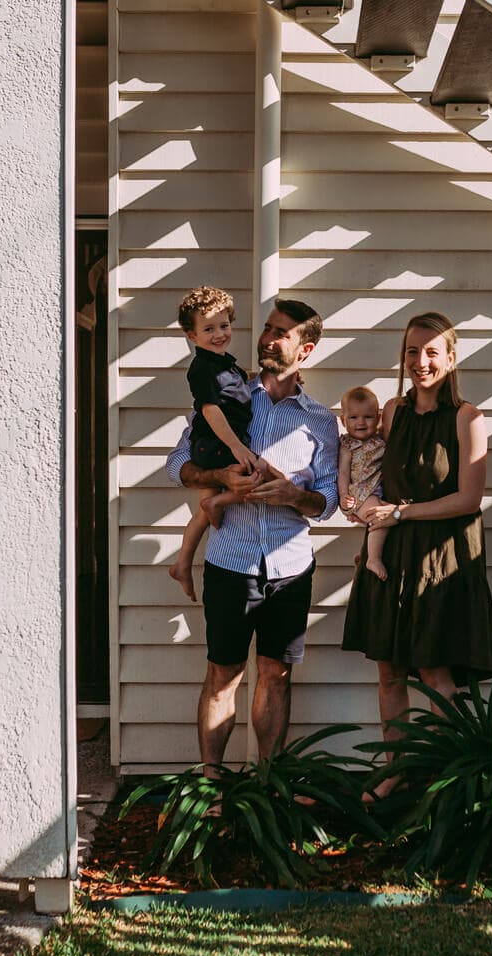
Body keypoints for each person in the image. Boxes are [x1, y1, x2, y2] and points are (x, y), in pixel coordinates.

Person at [165, 299, 340, 772]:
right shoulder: (230, 395)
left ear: (304, 349)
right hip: (231, 561)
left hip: (290, 569)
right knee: (223, 674)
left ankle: (269, 783)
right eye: (266, 327)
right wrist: (222, 478)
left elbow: (328, 501)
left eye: (279, 332)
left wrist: (293, 496)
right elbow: (176, 466)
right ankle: (212, 782)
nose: (266, 337)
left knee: (275, 675)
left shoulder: (321, 421)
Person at [340, 311, 492, 801]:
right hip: (391, 555)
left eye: (432, 352)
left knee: (436, 671)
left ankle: (446, 776)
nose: (421, 361)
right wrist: (356, 502)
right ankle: (396, 771)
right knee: (389, 668)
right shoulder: (391, 411)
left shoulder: (468, 418)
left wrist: (402, 514)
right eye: (413, 351)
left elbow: (468, 499)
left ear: (451, 359)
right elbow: (370, 462)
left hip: (443, 558)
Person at [169, 287, 258, 601]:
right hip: (215, 445)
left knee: (204, 513)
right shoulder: (203, 368)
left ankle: (182, 564)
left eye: (224, 325)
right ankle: (221, 503)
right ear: (192, 336)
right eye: (209, 329)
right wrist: (236, 447)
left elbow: (236, 387)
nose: (220, 334)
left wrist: (256, 379)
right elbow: (211, 409)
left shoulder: (224, 364)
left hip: (211, 444)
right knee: (250, 478)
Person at [336, 386, 389, 581]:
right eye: (353, 417)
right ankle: (373, 559)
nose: (361, 422)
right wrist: (343, 497)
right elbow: (342, 473)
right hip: (360, 493)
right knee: (380, 518)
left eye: (368, 417)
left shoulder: (379, 440)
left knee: (389, 520)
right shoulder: (348, 446)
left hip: (375, 491)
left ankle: (366, 554)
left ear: (378, 418)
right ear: (343, 420)